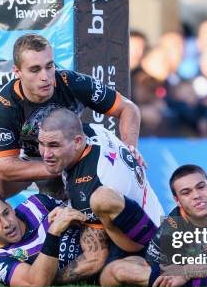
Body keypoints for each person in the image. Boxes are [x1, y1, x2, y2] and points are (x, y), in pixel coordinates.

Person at [0, 33, 141, 287]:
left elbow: (129, 109)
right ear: (17, 72)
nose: (46, 77)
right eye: (34, 70)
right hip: (39, 164)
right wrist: (53, 167)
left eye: (49, 66)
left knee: (98, 204)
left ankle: (123, 249)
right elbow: (5, 166)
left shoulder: (70, 81)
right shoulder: (6, 102)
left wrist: (130, 149)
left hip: (74, 160)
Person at [38, 108, 164, 266]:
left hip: (146, 247)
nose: (45, 154)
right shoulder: (89, 129)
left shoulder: (92, 184)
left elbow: (94, 259)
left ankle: (163, 263)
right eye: (41, 144)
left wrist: (48, 279)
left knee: (105, 275)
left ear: (77, 142)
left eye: (54, 146)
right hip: (154, 218)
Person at [0, 189, 108, 287]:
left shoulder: (38, 203)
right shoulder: (0, 261)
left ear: (10, 207)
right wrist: (53, 232)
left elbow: (83, 215)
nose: (7, 223)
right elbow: (36, 282)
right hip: (103, 275)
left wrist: (69, 214)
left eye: (6, 213)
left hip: (108, 243)